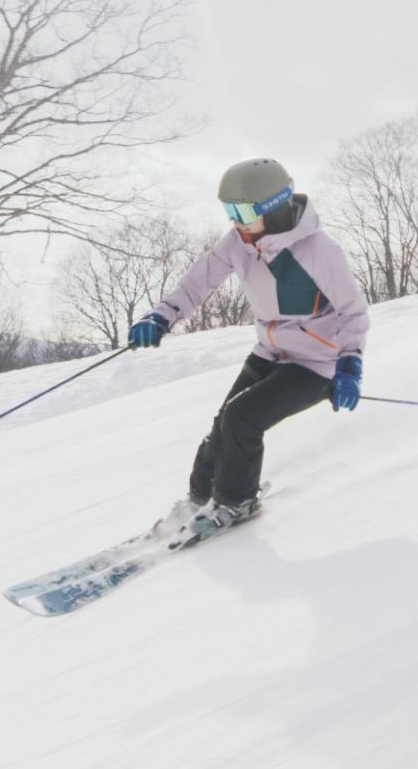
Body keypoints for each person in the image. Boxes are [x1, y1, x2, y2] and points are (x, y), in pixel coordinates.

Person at [124, 157, 370, 538]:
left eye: (240, 211)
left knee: (242, 418)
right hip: (271, 350)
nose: (233, 221)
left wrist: (349, 366)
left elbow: (353, 313)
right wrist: (161, 317)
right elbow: (198, 282)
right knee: (224, 422)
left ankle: (237, 500)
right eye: (228, 210)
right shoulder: (238, 242)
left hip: (317, 361)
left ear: (270, 209)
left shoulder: (319, 251)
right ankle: (199, 496)